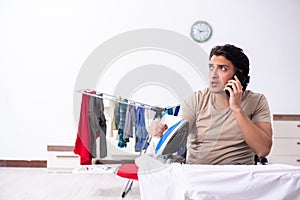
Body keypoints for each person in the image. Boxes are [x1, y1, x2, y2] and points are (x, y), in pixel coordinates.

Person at [149, 44, 273, 165]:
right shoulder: (195, 100)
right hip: (200, 175)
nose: (213, 75)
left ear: (239, 76)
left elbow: (263, 150)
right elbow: (174, 142)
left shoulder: (257, 101)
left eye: (222, 68)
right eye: (211, 67)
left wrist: (237, 109)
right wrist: (159, 134)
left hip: (238, 175)